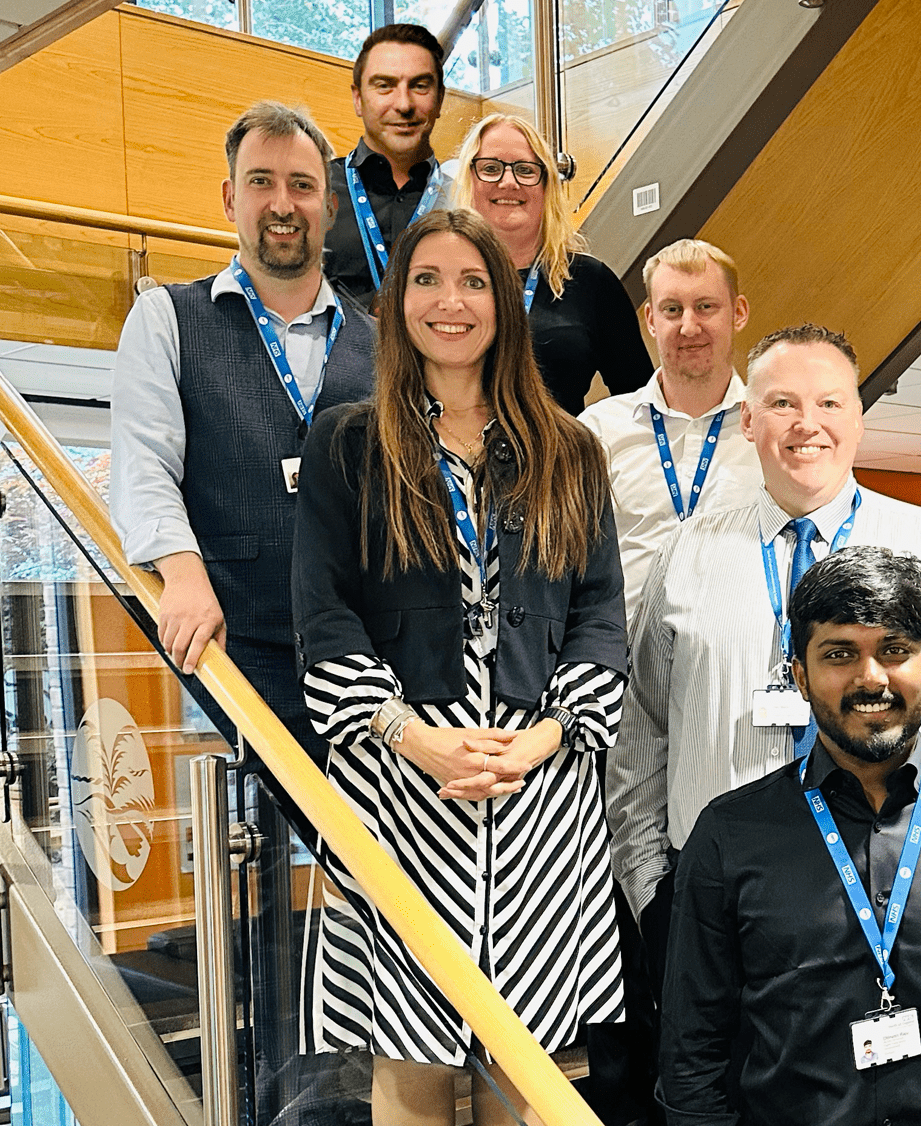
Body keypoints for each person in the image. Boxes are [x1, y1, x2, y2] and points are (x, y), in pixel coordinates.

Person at [290, 209, 631, 1125]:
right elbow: (323, 615)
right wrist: (412, 737)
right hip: (400, 786)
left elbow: (600, 616)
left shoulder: (571, 447)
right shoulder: (347, 444)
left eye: (473, 281)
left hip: (543, 791)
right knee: (411, 1071)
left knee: (538, 1070)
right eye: (428, 280)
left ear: (504, 301)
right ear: (398, 301)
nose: (451, 301)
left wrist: (546, 738)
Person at [607, 323, 921, 992]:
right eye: (783, 403)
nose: (805, 424)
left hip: (895, 884)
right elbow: (640, 736)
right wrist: (656, 895)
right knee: (722, 1092)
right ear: (747, 420)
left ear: (858, 417)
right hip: (722, 892)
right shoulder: (687, 553)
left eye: (829, 403)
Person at [659, 546, 921, 1125]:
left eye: (896, 650)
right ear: (800, 675)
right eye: (840, 654)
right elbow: (692, 1052)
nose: (871, 678)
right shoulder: (730, 836)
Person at [111, 100, 374, 764]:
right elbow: (143, 470)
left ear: (329, 207)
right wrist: (181, 573)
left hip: (370, 666)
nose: (282, 202)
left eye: (302, 185)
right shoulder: (165, 318)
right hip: (230, 657)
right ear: (231, 198)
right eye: (261, 181)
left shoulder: (383, 342)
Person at [579, 238, 763, 618]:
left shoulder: (771, 432)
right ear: (650, 319)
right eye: (672, 309)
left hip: (733, 665)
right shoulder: (598, 431)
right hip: (623, 663)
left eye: (706, 307)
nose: (689, 326)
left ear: (739, 313)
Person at [451, 113, 652, 413]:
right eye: (490, 169)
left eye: (525, 170)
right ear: (470, 180)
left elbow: (640, 403)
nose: (508, 182)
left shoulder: (591, 281)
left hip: (560, 459)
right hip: (450, 459)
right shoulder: (439, 281)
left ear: (546, 185)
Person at [324, 23, 447, 309]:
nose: (404, 104)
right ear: (358, 99)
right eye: (385, 86)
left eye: (419, 86)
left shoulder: (468, 198)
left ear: (440, 99)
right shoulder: (315, 190)